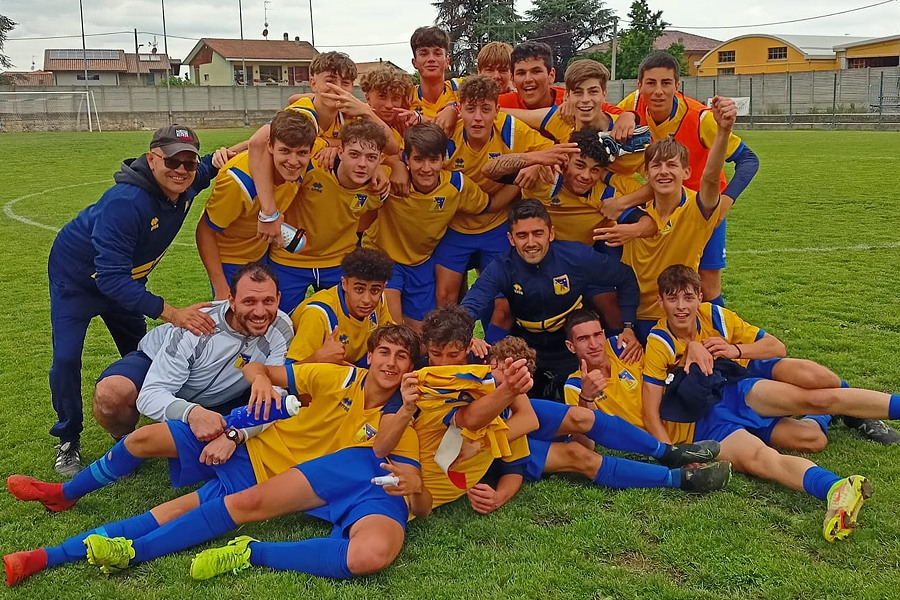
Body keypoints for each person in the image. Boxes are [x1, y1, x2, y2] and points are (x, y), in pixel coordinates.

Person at [4, 325, 424, 586]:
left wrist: (409, 435)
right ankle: (65, 492)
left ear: (410, 370)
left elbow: (394, 462)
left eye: (401, 357)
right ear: (370, 356)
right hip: (247, 445)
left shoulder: (400, 420)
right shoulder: (337, 376)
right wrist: (259, 382)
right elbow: (257, 369)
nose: (390, 363)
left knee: (165, 517)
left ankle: (45, 557)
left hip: (265, 480)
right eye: (383, 352)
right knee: (144, 438)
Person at [642, 265, 900, 541]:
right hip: (704, 423)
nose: (681, 307)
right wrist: (673, 457)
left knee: (816, 398)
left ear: (700, 297)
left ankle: (861, 408)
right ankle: (835, 488)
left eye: (688, 298)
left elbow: (776, 347)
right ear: (660, 302)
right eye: (672, 299)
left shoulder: (716, 316)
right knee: (773, 455)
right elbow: (650, 410)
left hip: (734, 392)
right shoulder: (658, 343)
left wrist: (734, 350)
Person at [46, 124, 231, 476]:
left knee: (141, 351)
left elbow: (215, 162)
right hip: (79, 283)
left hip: (124, 282)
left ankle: (154, 421)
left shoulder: (189, 180)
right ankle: (68, 437)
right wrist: (172, 313)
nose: (181, 170)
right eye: (172, 160)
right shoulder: (125, 203)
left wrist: (242, 149)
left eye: (188, 163)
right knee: (66, 359)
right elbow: (112, 280)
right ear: (151, 158)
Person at [466, 336, 731, 514]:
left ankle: (669, 452)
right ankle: (681, 479)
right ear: (489, 365)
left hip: (507, 426)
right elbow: (513, 467)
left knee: (582, 417)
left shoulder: (516, 392)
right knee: (579, 456)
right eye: (501, 367)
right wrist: (500, 495)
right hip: (499, 442)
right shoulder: (473, 388)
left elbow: (529, 419)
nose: (509, 375)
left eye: (520, 372)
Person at [613, 51, 760, 307]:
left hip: (700, 206)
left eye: (666, 83)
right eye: (651, 83)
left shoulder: (700, 118)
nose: (658, 91)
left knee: (706, 279)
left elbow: (748, 160)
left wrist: (726, 201)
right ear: (640, 86)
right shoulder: (631, 106)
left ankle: (717, 333)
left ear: (677, 86)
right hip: (658, 202)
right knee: (650, 272)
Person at [89, 262, 292, 440]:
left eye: (268, 301)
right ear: (231, 300)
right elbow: (150, 395)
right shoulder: (198, 326)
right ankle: (124, 440)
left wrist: (237, 434)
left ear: (278, 298)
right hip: (156, 361)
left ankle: (194, 422)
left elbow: (275, 391)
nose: (259, 312)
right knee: (112, 393)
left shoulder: (281, 328)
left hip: (222, 397)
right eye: (249, 301)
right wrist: (192, 413)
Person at [461, 199, 640, 401]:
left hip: (570, 346)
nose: (531, 243)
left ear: (551, 234)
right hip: (526, 348)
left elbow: (625, 277)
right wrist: (465, 334)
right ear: (511, 239)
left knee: (582, 404)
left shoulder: (576, 257)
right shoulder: (502, 267)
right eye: (522, 236)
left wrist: (628, 326)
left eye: (538, 233)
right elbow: (472, 304)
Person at [432, 75, 554, 323]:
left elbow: (549, 150)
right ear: (460, 109)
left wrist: (535, 163)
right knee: (445, 298)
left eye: (486, 109)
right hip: (456, 226)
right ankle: (452, 355)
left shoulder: (510, 129)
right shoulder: (447, 136)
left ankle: (496, 356)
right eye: (470, 109)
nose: (478, 117)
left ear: (497, 110)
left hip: (496, 226)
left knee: (502, 303)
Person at [362, 123, 490, 331]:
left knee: (422, 332)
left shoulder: (457, 186)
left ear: (443, 159)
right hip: (383, 258)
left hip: (421, 262)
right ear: (407, 159)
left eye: (433, 160)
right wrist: (391, 167)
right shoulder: (390, 180)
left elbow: (486, 206)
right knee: (391, 327)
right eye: (418, 159)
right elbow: (362, 165)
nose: (426, 168)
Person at [267, 119, 390, 311]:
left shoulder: (380, 186)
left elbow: (399, 160)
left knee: (341, 324)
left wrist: (394, 169)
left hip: (337, 262)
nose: (362, 164)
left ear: (380, 159)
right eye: (354, 154)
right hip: (289, 260)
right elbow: (267, 152)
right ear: (340, 152)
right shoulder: (312, 167)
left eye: (371, 157)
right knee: (280, 321)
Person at [196, 110, 318, 300]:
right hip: (232, 261)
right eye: (285, 151)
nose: (293, 161)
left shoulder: (303, 167)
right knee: (239, 324)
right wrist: (220, 286)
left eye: (302, 153)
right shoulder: (238, 183)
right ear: (269, 145)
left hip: (264, 254)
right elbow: (205, 231)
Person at [286, 247, 395, 366]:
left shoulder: (380, 301)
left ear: (384, 287)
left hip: (354, 365)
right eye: (359, 289)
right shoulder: (318, 313)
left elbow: (392, 339)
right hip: (317, 373)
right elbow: (289, 372)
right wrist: (319, 358)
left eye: (374, 290)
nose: (367, 300)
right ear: (344, 284)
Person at [407, 26, 461, 134]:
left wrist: (455, 110)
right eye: (424, 53)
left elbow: (493, 108)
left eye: (437, 53)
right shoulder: (406, 96)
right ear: (414, 63)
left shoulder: (461, 87)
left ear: (447, 62)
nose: (431, 59)